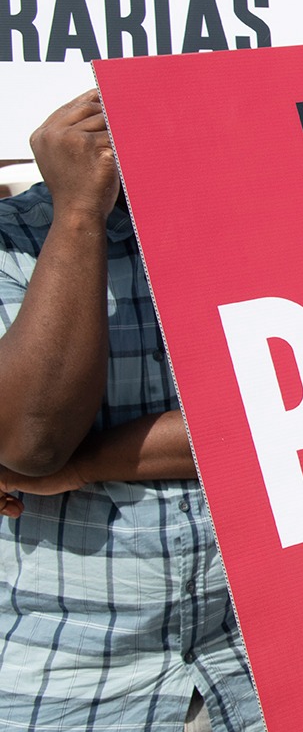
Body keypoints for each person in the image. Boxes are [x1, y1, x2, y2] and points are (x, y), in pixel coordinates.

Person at [0, 92, 263, 731]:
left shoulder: (261, 223)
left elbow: (300, 412)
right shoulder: (16, 240)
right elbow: (29, 443)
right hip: (73, 674)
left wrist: (91, 464)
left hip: (259, 661)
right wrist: (80, 213)